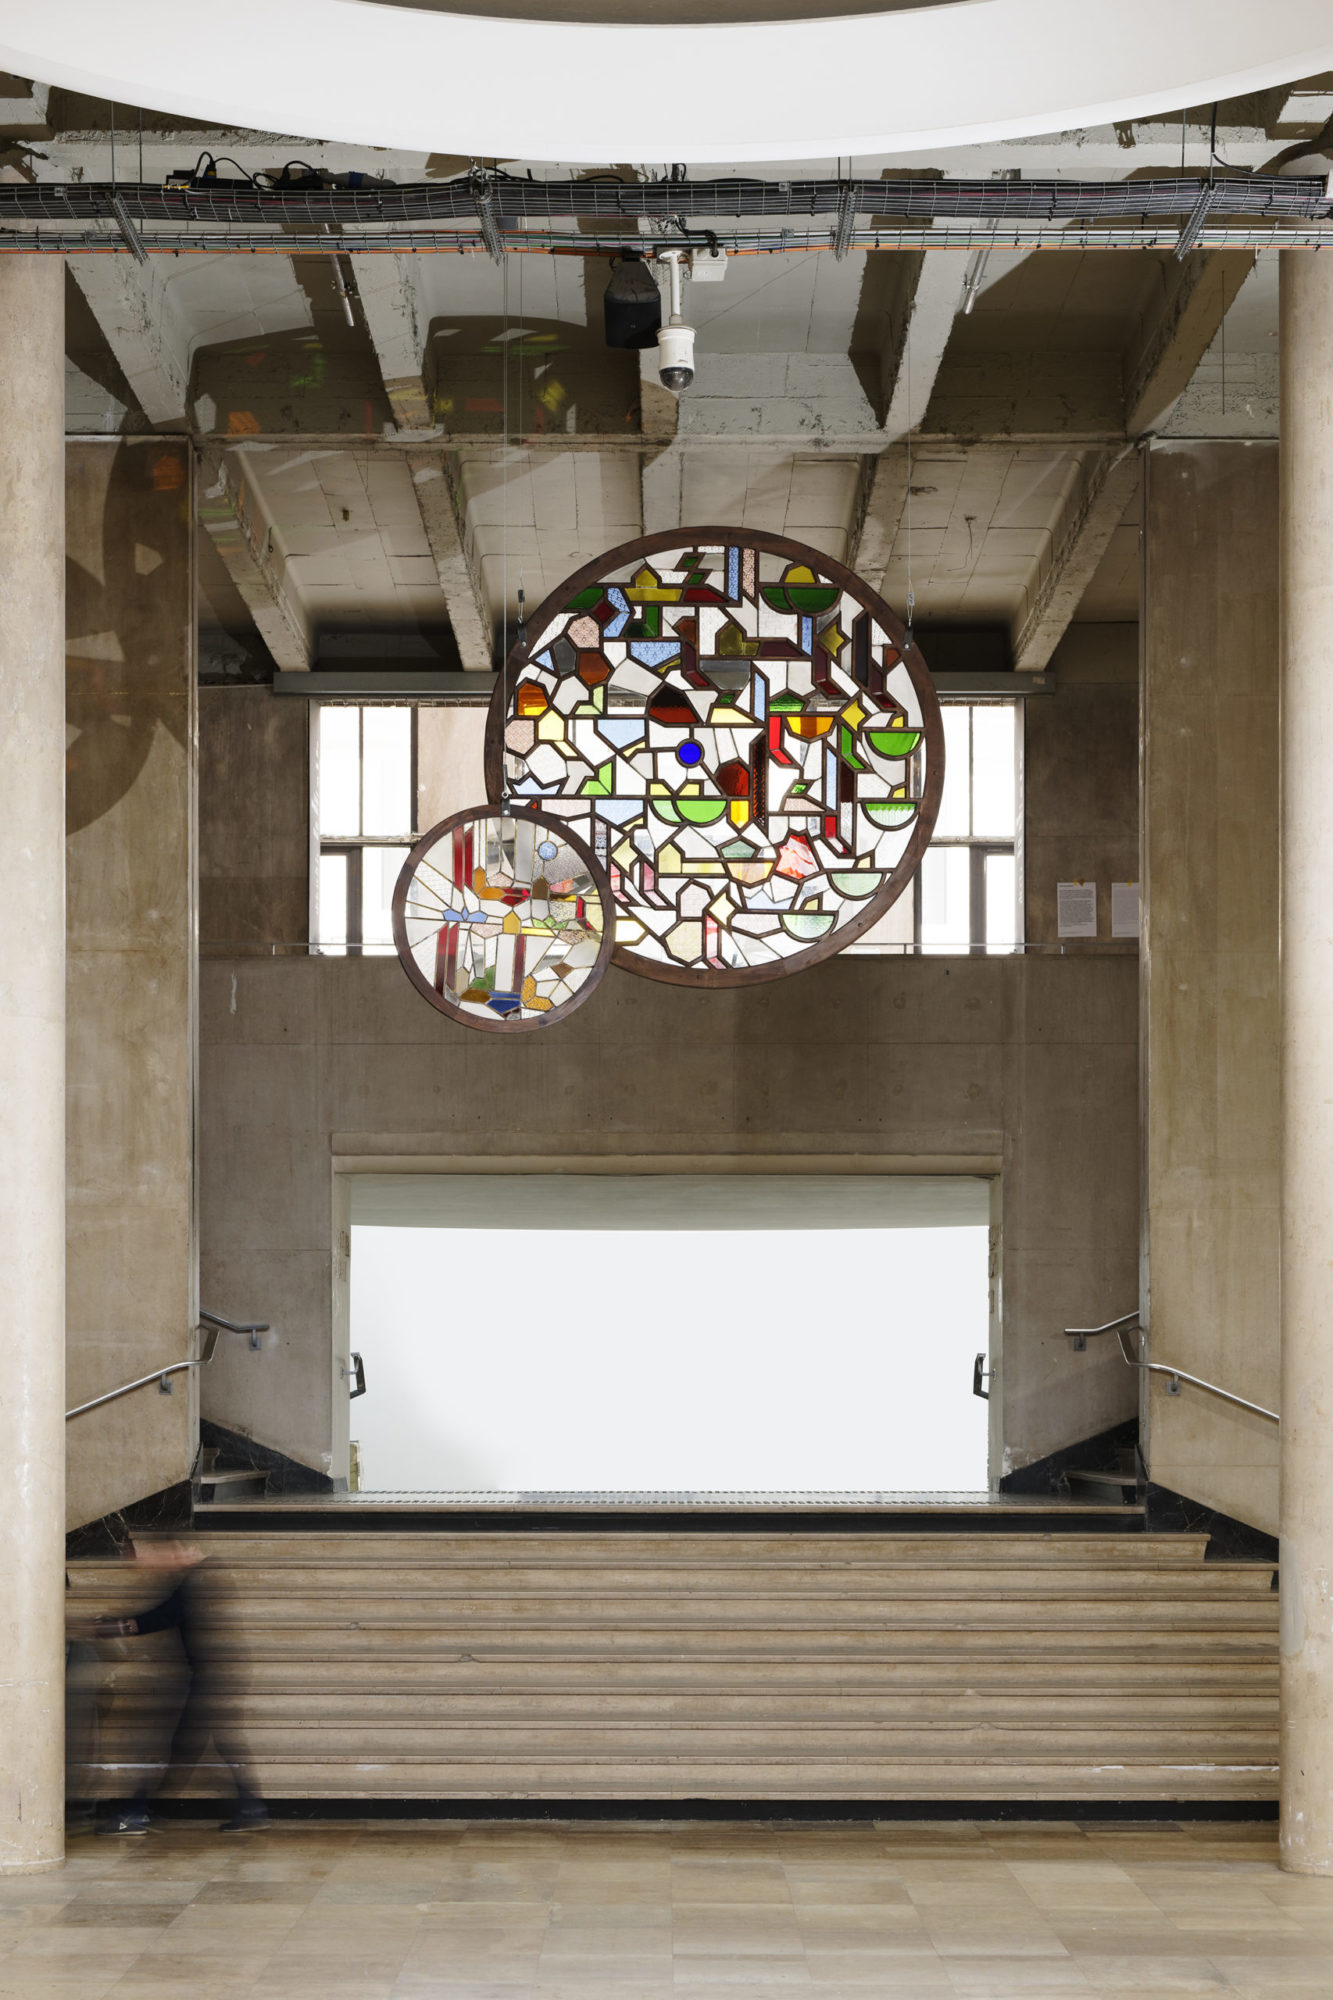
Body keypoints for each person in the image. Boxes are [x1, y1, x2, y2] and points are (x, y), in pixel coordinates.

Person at [97, 1534, 270, 1834]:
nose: (147, 1564)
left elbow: (158, 1618)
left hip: (210, 1682)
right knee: (211, 1746)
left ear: (175, 1551)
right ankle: (251, 1807)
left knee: (177, 1752)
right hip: (217, 1679)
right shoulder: (199, 1578)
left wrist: (108, 1627)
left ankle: (135, 1813)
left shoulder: (194, 1582)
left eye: (153, 1555)